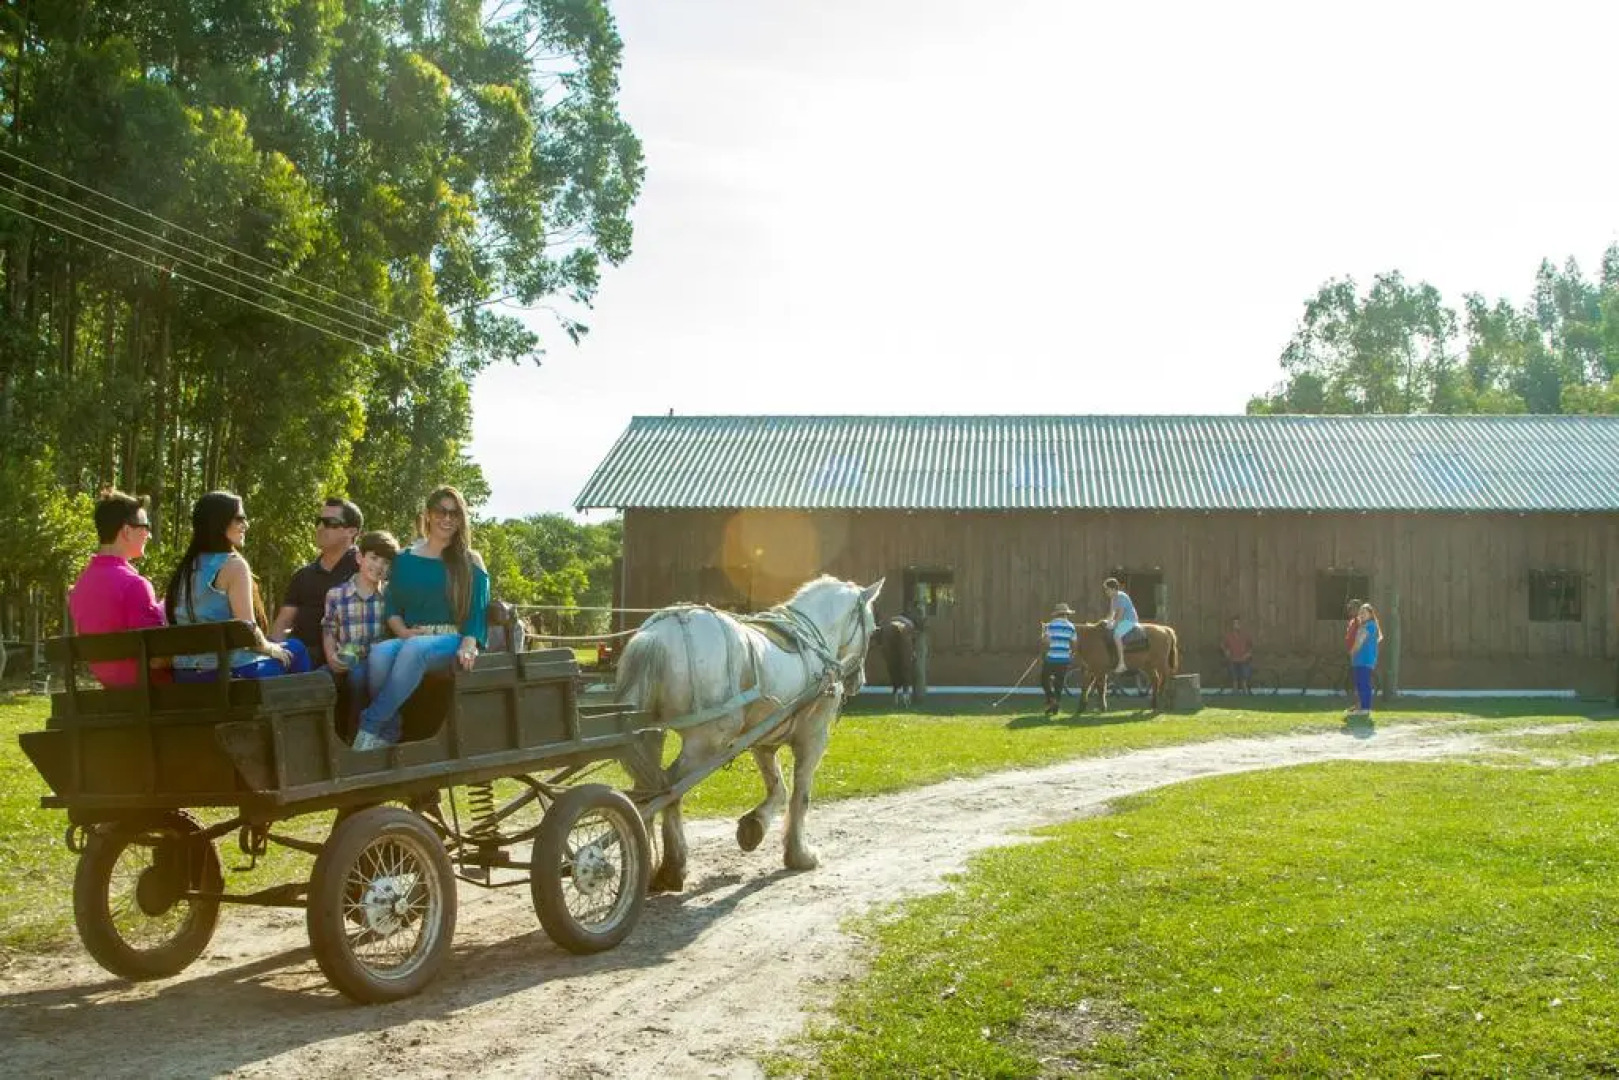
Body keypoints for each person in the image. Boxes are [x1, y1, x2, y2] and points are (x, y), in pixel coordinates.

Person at [352, 486, 489, 749]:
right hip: (413, 636)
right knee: (379, 654)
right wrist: (402, 631)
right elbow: (392, 606)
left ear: (461, 519)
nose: (447, 518)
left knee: (415, 648)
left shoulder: (470, 560)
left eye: (454, 513)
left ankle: (369, 725)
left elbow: (478, 609)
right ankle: (390, 729)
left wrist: (470, 642)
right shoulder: (405, 559)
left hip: (453, 638)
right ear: (427, 514)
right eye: (440, 511)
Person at [163, 491, 312, 680]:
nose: (246, 525)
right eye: (240, 519)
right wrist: (270, 648)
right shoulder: (234, 565)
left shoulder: (184, 569)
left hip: (185, 675)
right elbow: (246, 631)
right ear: (219, 522)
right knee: (296, 649)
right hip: (228, 675)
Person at [67, 490, 167, 687]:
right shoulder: (135, 585)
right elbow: (157, 658)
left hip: (113, 692)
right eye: (145, 527)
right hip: (152, 694)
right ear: (127, 531)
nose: (148, 534)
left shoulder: (81, 587)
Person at [322, 530, 400, 737]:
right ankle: (327, 736)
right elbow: (328, 629)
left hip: (374, 662)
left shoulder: (389, 596)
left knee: (358, 677)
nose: (379, 566)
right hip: (344, 656)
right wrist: (330, 656)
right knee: (319, 678)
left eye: (385, 562)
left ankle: (356, 734)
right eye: (374, 558)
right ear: (359, 558)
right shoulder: (336, 594)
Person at [272, 497, 362, 664]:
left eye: (330, 523)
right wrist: (275, 653)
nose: (320, 528)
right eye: (318, 521)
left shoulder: (365, 570)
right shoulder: (303, 575)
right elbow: (283, 622)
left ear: (351, 531)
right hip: (300, 658)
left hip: (347, 659)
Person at [1040, 603, 1077, 716]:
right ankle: (1056, 705)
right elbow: (1074, 643)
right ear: (1066, 614)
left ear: (1056, 614)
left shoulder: (1050, 625)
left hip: (1051, 658)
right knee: (1059, 683)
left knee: (1044, 679)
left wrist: (1043, 653)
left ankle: (1051, 699)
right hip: (1064, 659)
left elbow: (1046, 642)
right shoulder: (1071, 626)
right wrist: (1071, 654)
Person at [1349, 602, 1383, 719]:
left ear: (1370, 614)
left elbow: (1359, 642)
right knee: (1360, 684)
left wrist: (1352, 652)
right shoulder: (1364, 625)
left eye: (1364, 612)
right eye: (1360, 612)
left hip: (1365, 659)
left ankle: (1365, 709)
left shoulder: (1369, 625)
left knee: (1363, 683)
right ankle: (1361, 707)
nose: (1361, 614)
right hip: (1360, 659)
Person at [1102, 577, 1139, 674]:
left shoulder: (1121, 597)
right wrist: (1106, 622)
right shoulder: (1113, 598)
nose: (1106, 592)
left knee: (1116, 635)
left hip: (1130, 620)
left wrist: (1114, 624)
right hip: (1122, 621)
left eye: (1107, 589)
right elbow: (1111, 613)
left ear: (1113, 589)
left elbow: (1120, 613)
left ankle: (1122, 663)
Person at [1221, 616, 1254, 694]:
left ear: (1240, 625)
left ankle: (1245, 690)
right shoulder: (1228, 636)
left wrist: (1248, 654)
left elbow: (1251, 646)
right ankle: (1235, 690)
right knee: (1234, 677)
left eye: (1237, 623)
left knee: (1244, 677)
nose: (1236, 625)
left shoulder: (1245, 635)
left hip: (1243, 660)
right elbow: (1222, 645)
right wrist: (1226, 651)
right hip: (1233, 659)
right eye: (1234, 624)